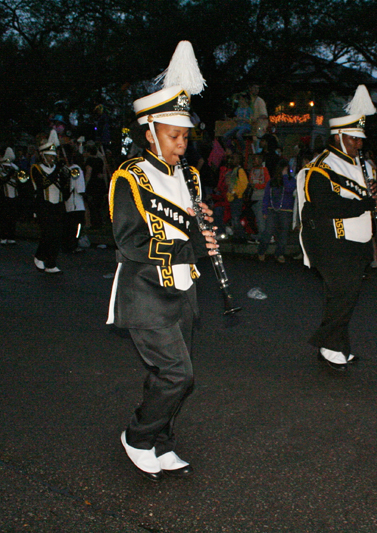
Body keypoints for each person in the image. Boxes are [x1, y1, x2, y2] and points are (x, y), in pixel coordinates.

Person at [107, 41, 217, 481]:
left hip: (184, 288)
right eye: (174, 136)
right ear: (150, 132)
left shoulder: (189, 176)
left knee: (172, 374)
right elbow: (130, 242)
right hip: (145, 291)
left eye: (186, 135)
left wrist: (202, 229)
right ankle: (137, 436)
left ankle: (162, 442)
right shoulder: (130, 176)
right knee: (178, 374)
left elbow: (188, 227)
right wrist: (186, 240)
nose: (182, 144)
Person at [297, 85, 377, 371]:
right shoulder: (320, 167)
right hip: (333, 242)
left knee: (345, 296)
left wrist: (371, 198)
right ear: (340, 136)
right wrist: (364, 204)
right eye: (356, 138)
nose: (360, 143)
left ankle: (336, 346)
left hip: (358, 241)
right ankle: (328, 345)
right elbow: (324, 206)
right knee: (343, 296)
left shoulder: (361, 164)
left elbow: (363, 199)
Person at [30, 130, 68, 274]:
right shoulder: (36, 168)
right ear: (43, 156)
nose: (52, 159)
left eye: (53, 157)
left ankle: (51, 263)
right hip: (44, 205)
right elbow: (43, 184)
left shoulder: (57, 169)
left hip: (58, 205)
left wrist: (65, 176)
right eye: (49, 157)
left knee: (57, 235)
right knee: (47, 233)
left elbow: (65, 188)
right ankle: (40, 255)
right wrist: (57, 171)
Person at [257, 160, 295, 262]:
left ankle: (279, 253)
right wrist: (264, 211)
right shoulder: (272, 182)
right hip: (272, 209)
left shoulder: (291, 180)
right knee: (268, 231)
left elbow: (289, 189)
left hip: (286, 210)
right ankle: (261, 251)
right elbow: (266, 197)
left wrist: (285, 176)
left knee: (284, 233)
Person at [0, 147, 25, 245]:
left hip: (14, 196)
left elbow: (22, 181)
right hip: (4, 196)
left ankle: (11, 236)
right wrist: (10, 175)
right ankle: (4, 236)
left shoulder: (15, 169)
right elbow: (0, 182)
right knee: (4, 218)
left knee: (12, 218)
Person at [63, 152, 86, 253]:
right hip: (77, 204)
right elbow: (80, 189)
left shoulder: (64, 170)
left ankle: (67, 245)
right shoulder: (77, 170)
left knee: (68, 226)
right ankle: (73, 246)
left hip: (67, 203)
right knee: (77, 227)